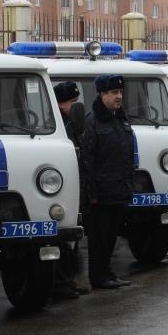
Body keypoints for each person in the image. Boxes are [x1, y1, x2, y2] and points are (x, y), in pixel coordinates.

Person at [81, 74, 134, 289]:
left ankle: (108, 273)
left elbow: (126, 156)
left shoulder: (121, 119)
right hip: (101, 194)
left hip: (119, 190)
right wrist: (92, 194)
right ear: (103, 94)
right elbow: (88, 160)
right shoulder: (92, 121)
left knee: (111, 237)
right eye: (114, 93)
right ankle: (99, 276)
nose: (118, 96)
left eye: (120, 92)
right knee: (99, 239)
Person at [51, 81, 87, 300]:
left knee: (73, 239)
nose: (75, 106)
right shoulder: (57, 127)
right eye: (71, 102)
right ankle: (60, 283)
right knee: (63, 240)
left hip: (76, 185)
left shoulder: (73, 123)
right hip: (63, 190)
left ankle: (68, 281)